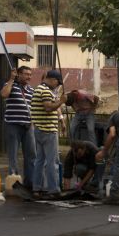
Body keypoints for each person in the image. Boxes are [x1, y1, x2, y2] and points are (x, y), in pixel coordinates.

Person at [31, 69, 67, 199]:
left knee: (40, 161)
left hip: (39, 130)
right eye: (58, 83)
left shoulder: (39, 89)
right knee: (53, 162)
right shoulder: (46, 91)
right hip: (48, 131)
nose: (58, 86)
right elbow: (48, 107)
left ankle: (36, 188)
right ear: (53, 80)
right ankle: (53, 190)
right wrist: (61, 101)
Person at [0, 66, 36, 189]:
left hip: (28, 126)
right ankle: (13, 182)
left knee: (31, 155)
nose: (29, 77)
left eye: (30, 74)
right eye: (26, 74)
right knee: (13, 155)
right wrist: (11, 79)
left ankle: (29, 183)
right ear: (19, 74)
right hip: (13, 124)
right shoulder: (11, 85)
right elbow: (4, 94)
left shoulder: (31, 90)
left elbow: (33, 107)